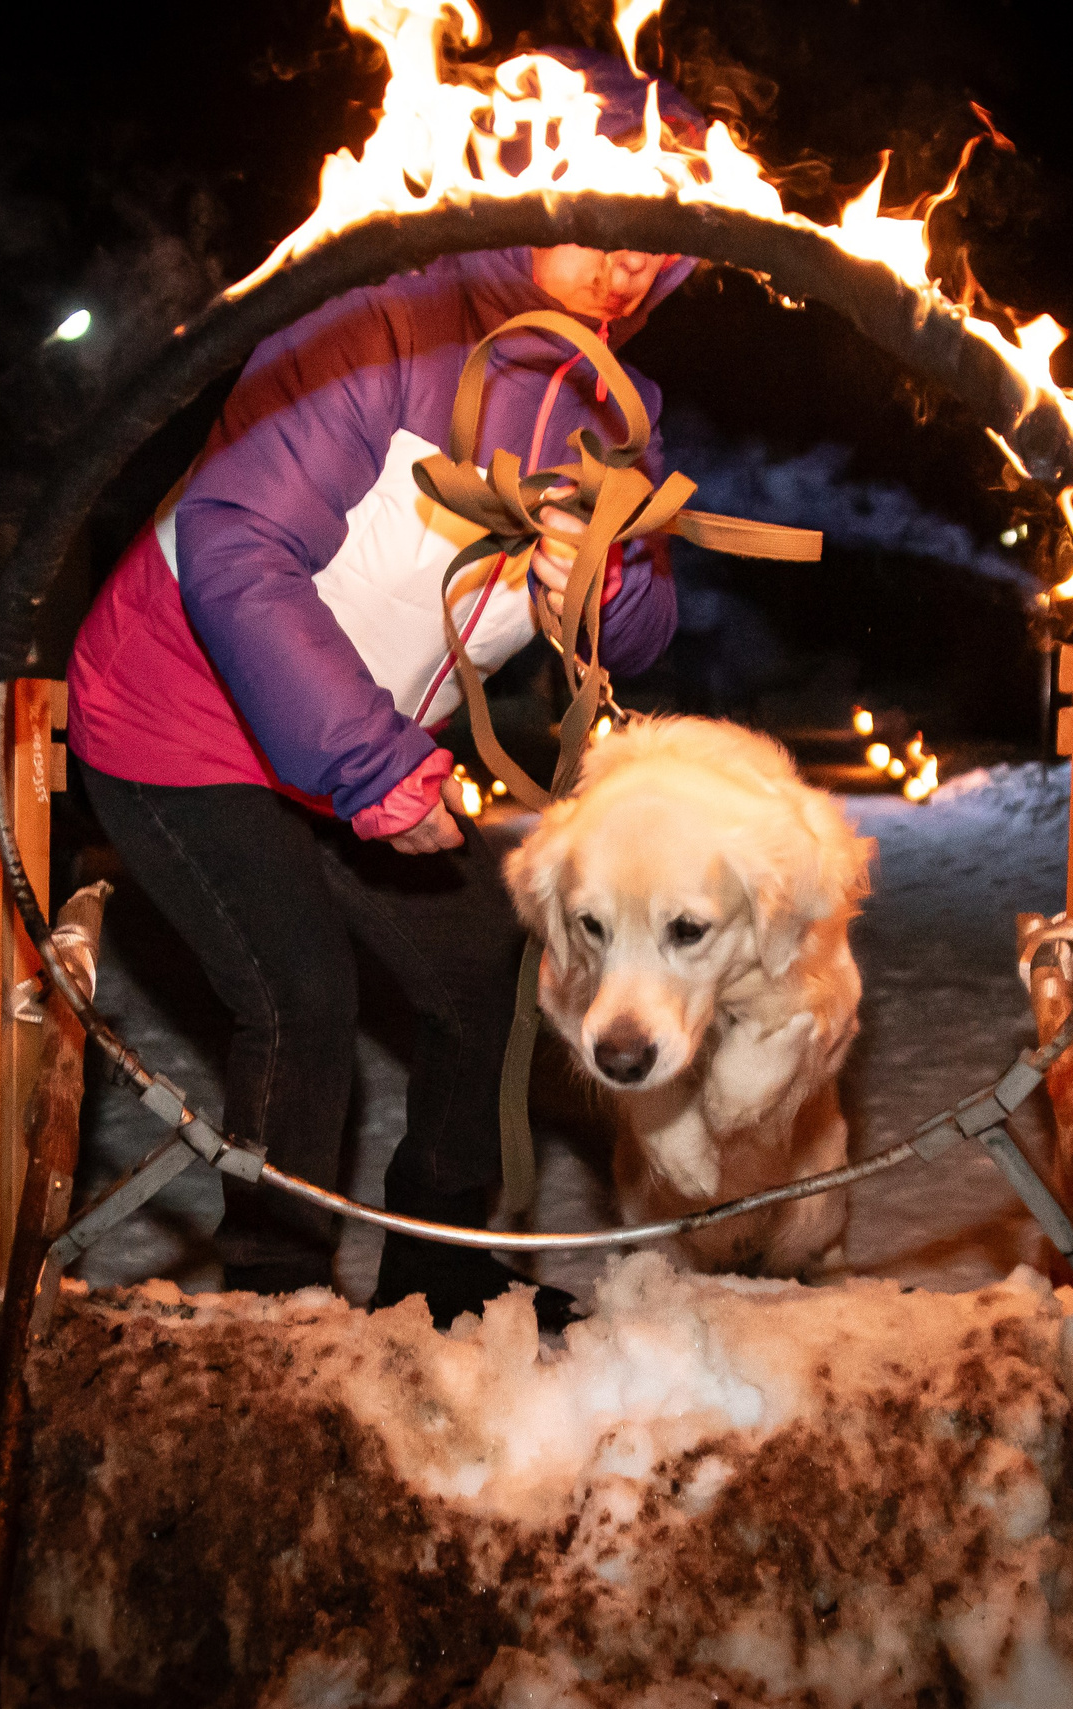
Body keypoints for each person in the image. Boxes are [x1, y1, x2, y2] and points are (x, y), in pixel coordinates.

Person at [65, 50, 702, 1325]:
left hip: (351, 747)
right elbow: (235, 547)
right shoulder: (374, 323)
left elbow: (637, 637)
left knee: (486, 967)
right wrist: (371, 766)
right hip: (176, 719)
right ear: (526, 185)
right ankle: (277, 1311)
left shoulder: (612, 408)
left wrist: (605, 572)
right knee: (301, 996)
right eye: (598, 225)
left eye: (655, 240)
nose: (625, 268)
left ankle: (441, 1276)